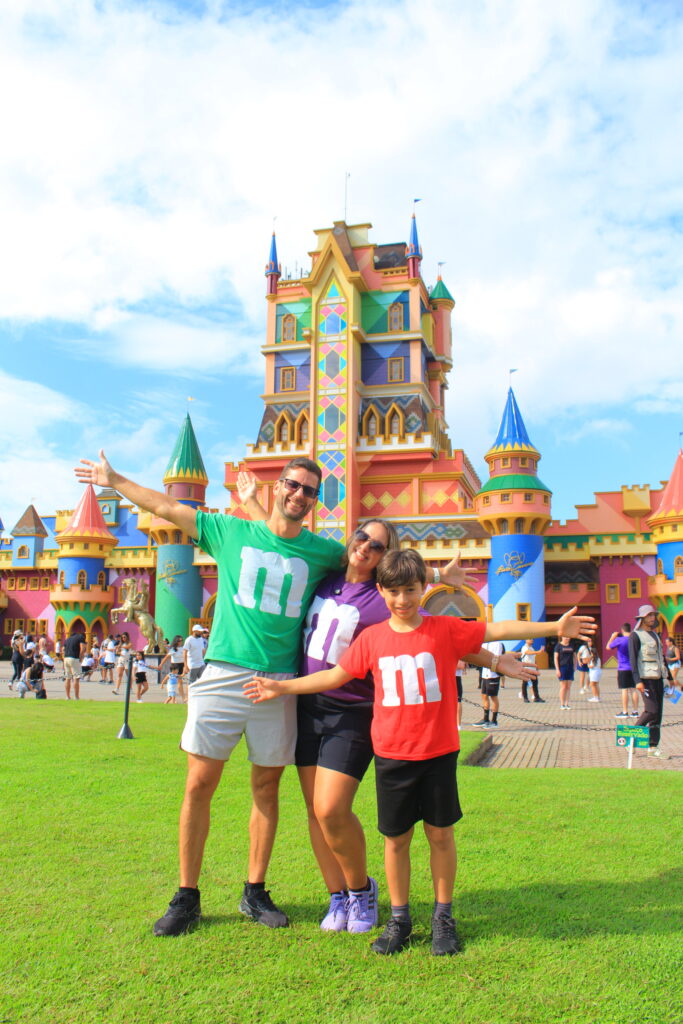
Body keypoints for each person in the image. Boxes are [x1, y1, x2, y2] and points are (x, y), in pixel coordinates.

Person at [245, 549, 596, 956]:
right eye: (393, 591)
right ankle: (399, 918)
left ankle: (443, 917)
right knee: (395, 841)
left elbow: (497, 629)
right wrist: (281, 687)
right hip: (393, 755)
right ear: (381, 591)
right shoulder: (371, 639)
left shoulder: (444, 629)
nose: (402, 600)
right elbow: (334, 675)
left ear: (423, 589)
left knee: (440, 836)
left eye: (410, 590)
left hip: (438, 753)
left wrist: (555, 626)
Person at [75, 450, 349, 937]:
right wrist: (114, 479)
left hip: (277, 683)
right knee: (199, 784)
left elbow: (379, 568)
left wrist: (435, 579)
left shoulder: (324, 552)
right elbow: (166, 508)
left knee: (266, 787)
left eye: (309, 490)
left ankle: (254, 890)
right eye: (293, 484)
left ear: (316, 500)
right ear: (278, 486)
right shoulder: (230, 531)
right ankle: (187, 895)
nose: (300, 494)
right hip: (222, 672)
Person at [238, 475, 496, 935]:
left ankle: (362, 891)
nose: (365, 546)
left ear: (384, 560)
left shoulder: (383, 604)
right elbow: (284, 540)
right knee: (316, 812)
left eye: (377, 546)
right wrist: (253, 502)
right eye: (361, 537)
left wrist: (498, 658)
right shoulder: (324, 575)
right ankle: (337, 897)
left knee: (332, 807)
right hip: (307, 708)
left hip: (352, 714)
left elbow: (436, 632)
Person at [628, 604, 671, 759]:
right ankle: (630, 738)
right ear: (642, 618)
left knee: (657, 714)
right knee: (651, 710)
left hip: (658, 678)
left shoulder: (655, 635)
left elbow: (662, 658)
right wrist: (637, 681)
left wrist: (671, 679)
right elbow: (633, 660)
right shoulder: (635, 636)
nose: (653, 618)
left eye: (654, 615)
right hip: (645, 680)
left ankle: (653, 746)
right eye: (649, 615)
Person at [607, 623, 639, 718]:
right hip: (633, 667)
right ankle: (635, 711)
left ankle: (625, 712)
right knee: (633, 690)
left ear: (622, 630)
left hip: (623, 668)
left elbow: (608, 647)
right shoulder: (634, 639)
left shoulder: (619, 639)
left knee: (624, 690)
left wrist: (612, 637)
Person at [473, 640, 504, 728]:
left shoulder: (497, 643)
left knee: (493, 696)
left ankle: (494, 721)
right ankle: (485, 719)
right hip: (485, 673)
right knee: (484, 695)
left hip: (493, 674)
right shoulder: (484, 643)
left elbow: (496, 658)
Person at [554, 636, 577, 709]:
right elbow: (555, 658)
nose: (567, 638)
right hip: (562, 667)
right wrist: (557, 669)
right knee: (563, 687)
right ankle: (562, 704)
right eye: (565, 637)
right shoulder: (558, 646)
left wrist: (575, 666)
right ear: (562, 637)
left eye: (568, 637)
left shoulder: (571, 645)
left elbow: (575, 657)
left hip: (570, 667)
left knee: (568, 687)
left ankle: (567, 704)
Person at [63, 631, 86, 700]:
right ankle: (76, 697)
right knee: (76, 678)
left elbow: (63, 649)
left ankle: (67, 696)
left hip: (66, 658)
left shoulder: (67, 639)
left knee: (68, 678)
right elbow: (82, 648)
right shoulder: (81, 637)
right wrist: (81, 658)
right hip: (74, 658)